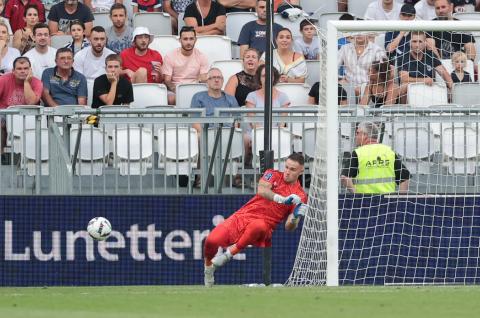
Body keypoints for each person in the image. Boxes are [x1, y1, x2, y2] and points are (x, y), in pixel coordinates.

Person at [203, 152, 308, 287]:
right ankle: (208, 269)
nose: (287, 172)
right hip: (242, 216)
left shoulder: (300, 196)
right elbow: (262, 190)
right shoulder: (273, 174)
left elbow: (289, 227)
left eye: (292, 169)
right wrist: (282, 199)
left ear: (301, 171)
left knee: (259, 225)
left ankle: (226, 256)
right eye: (286, 167)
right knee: (211, 241)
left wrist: (295, 217)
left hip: (265, 226)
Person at [341, 122, 410, 194]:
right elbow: (405, 177)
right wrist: (401, 200)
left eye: (357, 133)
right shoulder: (389, 152)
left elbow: (344, 178)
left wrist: (356, 195)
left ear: (364, 135)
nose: (356, 136)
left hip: (365, 202)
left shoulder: (358, 153)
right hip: (388, 202)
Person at [0, 56, 43, 152]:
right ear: (13, 71)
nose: (22, 71)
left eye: (25, 68)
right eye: (19, 69)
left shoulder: (37, 83)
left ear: (30, 70)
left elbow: (31, 102)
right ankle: (1, 155)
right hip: (5, 113)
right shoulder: (3, 79)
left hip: (28, 115)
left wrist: (27, 83)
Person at [399, 31, 453, 103]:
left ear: (425, 43)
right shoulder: (403, 56)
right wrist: (423, 80)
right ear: (410, 43)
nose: (417, 45)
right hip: (412, 89)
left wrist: (452, 88)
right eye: (414, 41)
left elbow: (444, 73)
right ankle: (404, 111)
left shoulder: (430, 55)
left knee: (446, 84)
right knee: (404, 86)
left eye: (420, 42)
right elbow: (404, 78)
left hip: (429, 88)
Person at [163, 26, 209, 104]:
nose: (188, 42)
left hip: (195, 88)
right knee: (171, 99)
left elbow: (204, 79)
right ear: (180, 40)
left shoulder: (201, 56)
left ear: (195, 40)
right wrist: (179, 91)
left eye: (191, 39)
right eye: (185, 39)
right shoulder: (170, 55)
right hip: (176, 89)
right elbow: (167, 80)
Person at [191, 67, 238, 133]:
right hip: (205, 133)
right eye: (213, 77)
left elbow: (237, 122)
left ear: (223, 81)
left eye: (219, 78)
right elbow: (195, 122)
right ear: (207, 81)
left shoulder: (231, 99)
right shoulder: (198, 97)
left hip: (228, 133)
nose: (216, 80)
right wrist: (206, 137)